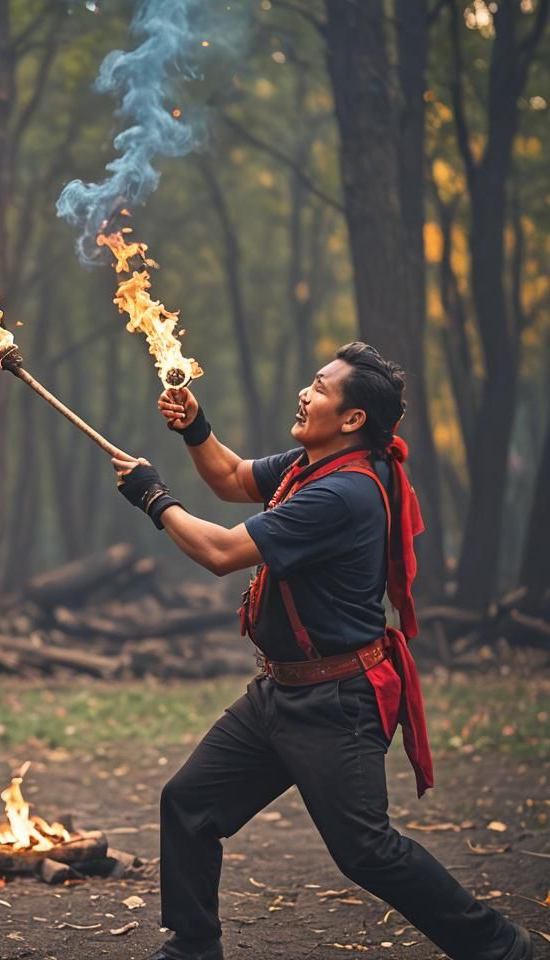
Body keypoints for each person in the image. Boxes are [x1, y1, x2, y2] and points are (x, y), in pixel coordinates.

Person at [113, 342, 537, 960]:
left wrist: (155, 497)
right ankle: (193, 947)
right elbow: (233, 479)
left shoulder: (345, 492)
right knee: (189, 804)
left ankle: (500, 947)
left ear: (353, 418)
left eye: (319, 387)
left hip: (336, 701)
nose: (305, 393)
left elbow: (222, 553)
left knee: (367, 851)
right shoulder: (316, 462)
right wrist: (196, 428)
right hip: (280, 692)